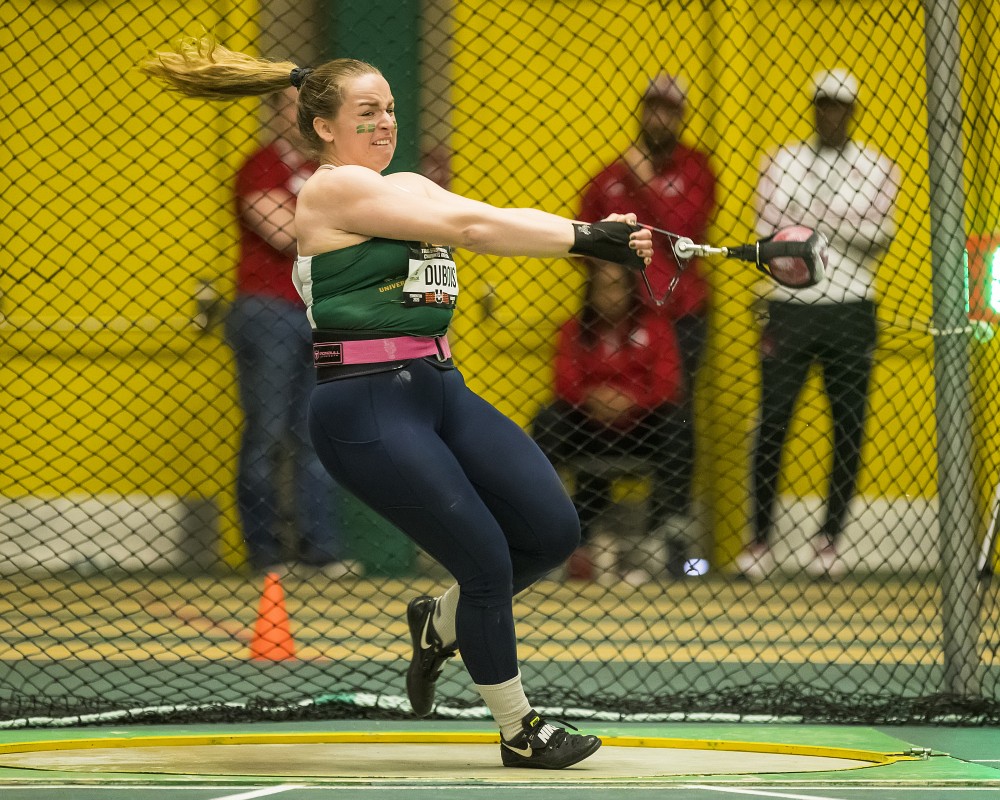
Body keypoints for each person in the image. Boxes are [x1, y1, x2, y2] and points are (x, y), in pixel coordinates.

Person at [141, 39, 653, 770]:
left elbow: (488, 216)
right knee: (483, 561)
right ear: (324, 127)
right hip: (365, 405)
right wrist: (586, 238)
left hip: (442, 390)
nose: (385, 123)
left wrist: (595, 239)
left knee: (549, 530)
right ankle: (520, 731)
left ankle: (437, 619)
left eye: (390, 110)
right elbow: (474, 231)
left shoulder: (406, 185)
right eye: (366, 113)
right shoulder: (331, 191)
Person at [736, 68, 900, 581]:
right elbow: (770, 233)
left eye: (840, 106)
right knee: (774, 421)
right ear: (813, 107)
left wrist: (808, 223)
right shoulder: (779, 160)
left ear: (853, 111)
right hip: (788, 304)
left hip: (852, 306)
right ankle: (760, 538)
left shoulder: (879, 165)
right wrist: (837, 222)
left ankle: (829, 539)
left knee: (848, 424)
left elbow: (881, 230)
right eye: (823, 104)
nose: (830, 114)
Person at [578, 72, 717, 567]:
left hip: (681, 314)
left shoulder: (697, 167)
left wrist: (644, 182)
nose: (659, 118)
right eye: (651, 108)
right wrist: (608, 284)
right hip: (620, 315)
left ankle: (668, 532)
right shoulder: (610, 175)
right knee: (589, 417)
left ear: (681, 117)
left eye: (669, 110)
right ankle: (585, 534)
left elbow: (682, 233)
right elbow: (582, 234)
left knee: (677, 417)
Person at [225, 86, 345, 579]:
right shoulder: (261, 166)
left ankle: (321, 550)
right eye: (292, 110)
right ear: (274, 114)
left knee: (317, 433)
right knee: (268, 433)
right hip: (267, 311)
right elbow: (284, 233)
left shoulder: (330, 174)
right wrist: (345, 225)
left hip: (321, 313)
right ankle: (267, 554)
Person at [531, 259, 684, 583]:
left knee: (679, 423)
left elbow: (667, 384)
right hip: (589, 427)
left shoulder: (655, 327)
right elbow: (564, 382)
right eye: (602, 287)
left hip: (641, 426)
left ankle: (666, 531)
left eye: (616, 286)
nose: (609, 295)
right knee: (548, 419)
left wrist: (633, 401)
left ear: (631, 290)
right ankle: (545, 527)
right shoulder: (574, 330)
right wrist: (593, 399)